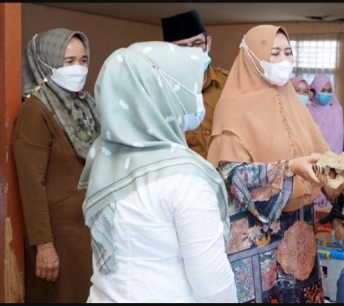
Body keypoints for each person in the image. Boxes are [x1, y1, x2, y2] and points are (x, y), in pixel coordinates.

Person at [77, 41, 239, 302]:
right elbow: (213, 286)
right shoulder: (186, 178)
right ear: (163, 96)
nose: (197, 99)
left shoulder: (105, 160)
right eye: (191, 89)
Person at [207, 25, 338, 303]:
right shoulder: (233, 107)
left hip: (299, 236)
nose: (282, 60)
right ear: (251, 58)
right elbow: (230, 174)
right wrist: (288, 168)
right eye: (274, 52)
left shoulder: (295, 103)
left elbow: (322, 156)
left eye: (287, 52)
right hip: (256, 242)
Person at [13, 28, 99, 302]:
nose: (78, 69)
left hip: (89, 226)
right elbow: (31, 184)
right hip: (59, 234)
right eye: (68, 61)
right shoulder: (36, 111)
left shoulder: (86, 106)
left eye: (83, 60)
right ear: (46, 63)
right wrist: (45, 245)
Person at [161, 9, 229, 160]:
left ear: (208, 43)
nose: (191, 53)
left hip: (230, 177)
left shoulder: (231, 83)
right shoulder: (161, 91)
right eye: (181, 47)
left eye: (197, 44)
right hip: (187, 177)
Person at [309, 74, 344, 154]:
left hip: (334, 157)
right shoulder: (307, 109)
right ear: (314, 90)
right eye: (322, 90)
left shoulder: (337, 109)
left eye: (329, 91)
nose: (326, 93)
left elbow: (339, 138)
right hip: (312, 156)